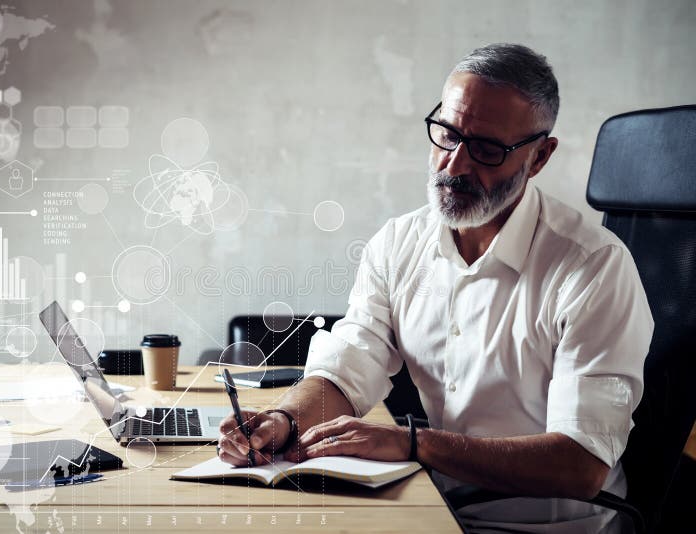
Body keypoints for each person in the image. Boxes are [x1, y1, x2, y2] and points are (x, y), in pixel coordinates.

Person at [218, 43, 653, 533]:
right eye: (447, 134)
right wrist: (284, 421)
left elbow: (580, 464)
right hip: (432, 508)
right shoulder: (399, 244)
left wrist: (413, 443)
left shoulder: (593, 267)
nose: (454, 165)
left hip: (549, 528)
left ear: (538, 157)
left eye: (487, 149)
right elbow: (347, 368)